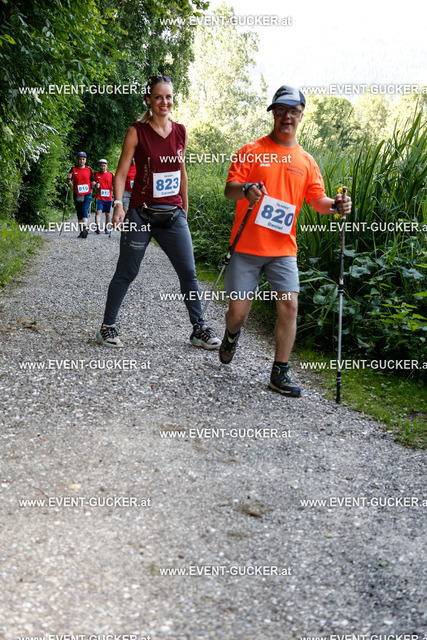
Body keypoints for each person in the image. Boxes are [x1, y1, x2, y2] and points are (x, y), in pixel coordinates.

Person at [220, 85, 352, 397]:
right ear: (273, 114)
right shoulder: (251, 150)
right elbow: (229, 190)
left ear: (302, 115)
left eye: (294, 111)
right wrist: (246, 189)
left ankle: (279, 372)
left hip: (283, 250)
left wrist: (336, 206)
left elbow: (317, 200)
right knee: (237, 314)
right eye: (281, 110)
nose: (287, 117)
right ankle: (231, 335)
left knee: (290, 307)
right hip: (246, 248)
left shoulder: (306, 161)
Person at [96, 74, 220, 350]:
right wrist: (118, 204)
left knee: (188, 272)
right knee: (127, 271)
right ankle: (107, 327)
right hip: (141, 214)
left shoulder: (181, 131)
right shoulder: (137, 131)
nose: (165, 102)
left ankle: (199, 329)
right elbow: (120, 173)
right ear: (148, 100)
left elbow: (182, 173)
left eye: (169, 97)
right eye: (158, 97)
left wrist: (184, 208)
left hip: (173, 214)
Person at [66, 151, 96, 238]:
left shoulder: (89, 170)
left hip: (87, 193)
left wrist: (96, 185)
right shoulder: (73, 169)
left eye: (83, 159)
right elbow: (68, 182)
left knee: (84, 210)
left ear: (85, 160)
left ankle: (85, 228)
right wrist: (68, 179)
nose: (81, 161)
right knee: (79, 212)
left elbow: (93, 181)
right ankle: (82, 231)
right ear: (77, 160)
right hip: (77, 193)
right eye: (80, 159)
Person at [94, 159, 114, 234]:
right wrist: (96, 185)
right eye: (101, 166)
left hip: (108, 197)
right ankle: (97, 227)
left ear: (106, 166)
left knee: (107, 213)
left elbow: (114, 184)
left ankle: (106, 228)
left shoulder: (111, 175)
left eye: (104, 166)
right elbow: (93, 183)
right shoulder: (96, 174)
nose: (103, 167)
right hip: (99, 196)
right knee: (98, 212)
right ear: (99, 166)